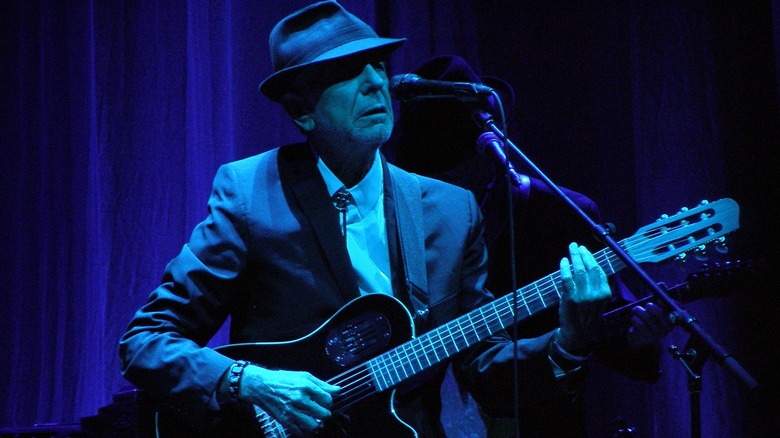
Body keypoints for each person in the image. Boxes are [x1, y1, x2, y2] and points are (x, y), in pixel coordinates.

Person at [118, 3, 620, 437]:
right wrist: (253, 382)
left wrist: (567, 342)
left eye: (378, 64)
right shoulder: (251, 192)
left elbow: (487, 371)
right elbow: (146, 342)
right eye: (347, 71)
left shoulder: (451, 208)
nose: (376, 82)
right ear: (302, 112)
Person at [384, 54, 674, 437]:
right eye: (432, 171)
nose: (438, 183)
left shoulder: (557, 211)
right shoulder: (398, 210)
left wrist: (639, 337)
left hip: (535, 419)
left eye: (451, 169)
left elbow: (606, 321)